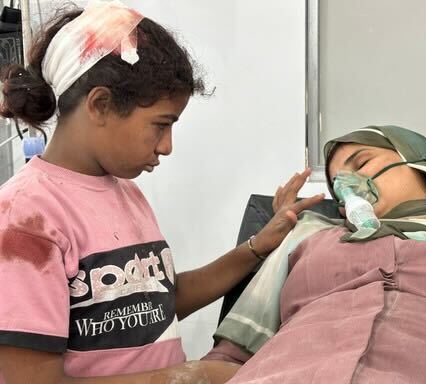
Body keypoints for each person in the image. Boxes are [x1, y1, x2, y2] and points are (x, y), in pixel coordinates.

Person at [0, 1, 324, 383]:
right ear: (100, 105)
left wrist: (257, 246)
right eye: (160, 124)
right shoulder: (26, 221)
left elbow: (156, 305)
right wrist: (185, 377)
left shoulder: (126, 193)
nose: (166, 146)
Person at [204, 125, 426, 383]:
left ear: (418, 163)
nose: (346, 185)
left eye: (361, 164)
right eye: (338, 182)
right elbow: (230, 359)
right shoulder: (311, 237)